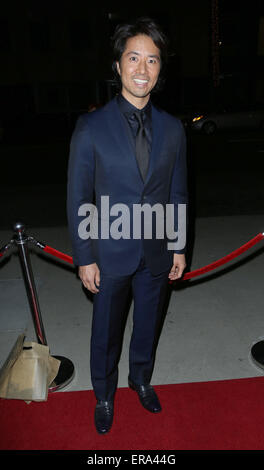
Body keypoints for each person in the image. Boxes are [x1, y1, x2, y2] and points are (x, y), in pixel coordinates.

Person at [67, 17, 188, 434]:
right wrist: (85, 257)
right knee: (106, 330)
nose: (142, 69)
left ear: (160, 69)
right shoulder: (90, 127)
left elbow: (177, 193)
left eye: (152, 60)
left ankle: (141, 378)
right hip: (109, 250)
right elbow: (79, 197)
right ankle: (103, 393)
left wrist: (178, 245)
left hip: (156, 249)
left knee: (149, 322)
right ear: (118, 66)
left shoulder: (174, 129)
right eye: (133, 58)